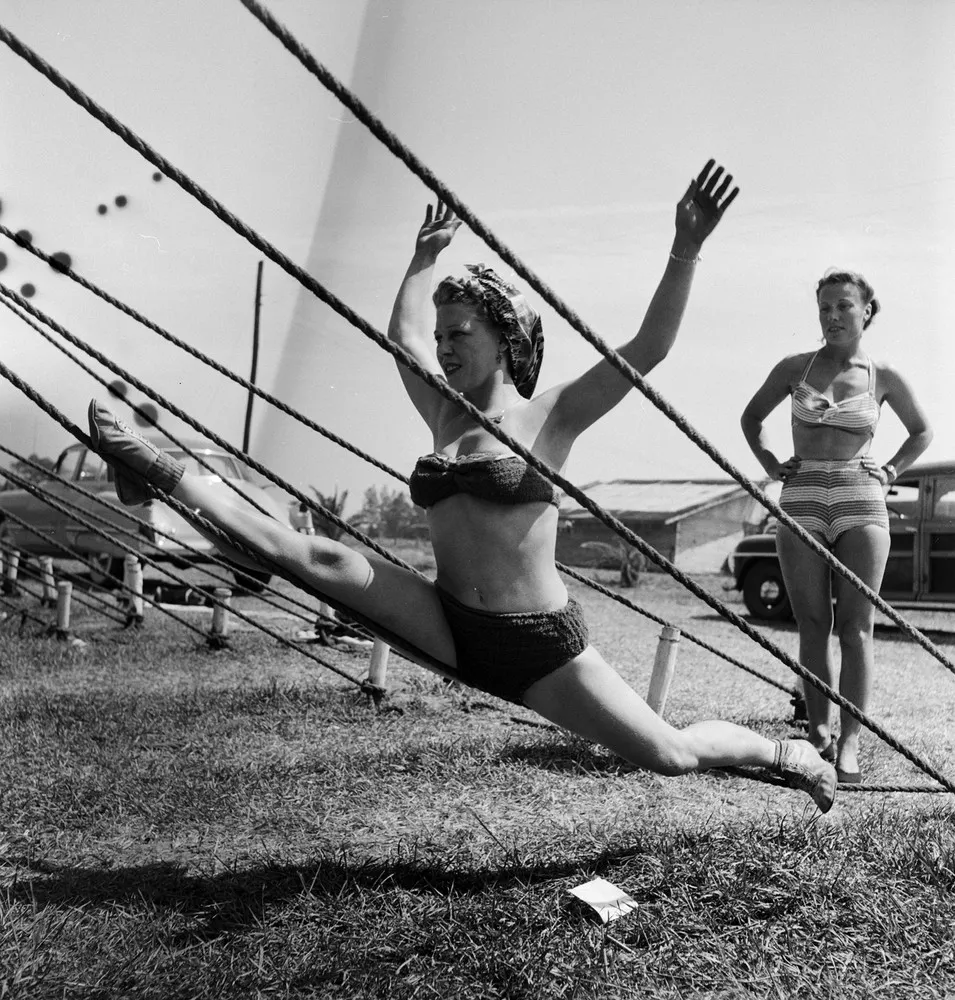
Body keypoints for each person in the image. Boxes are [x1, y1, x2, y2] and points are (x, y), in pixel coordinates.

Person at [87, 160, 838, 812]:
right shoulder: (442, 413)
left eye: (460, 335)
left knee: (669, 754)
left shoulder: (554, 417)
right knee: (308, 556)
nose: (444, 349)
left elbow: (649, 348)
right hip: (444, 618)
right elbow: (402, 338)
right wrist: (422, 261)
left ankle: (782, 755)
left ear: (503, 337)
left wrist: (685, 247)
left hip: (537, 645)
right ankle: (156, 467)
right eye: (443, 335)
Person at [741, 269, 932, 783]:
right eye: (824, 307)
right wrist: (768, 461)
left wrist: (891, 469)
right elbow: (750, 418)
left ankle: (849, 742)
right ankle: (818, 733)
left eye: (844, 306)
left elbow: (922, 430)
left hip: (861, 500)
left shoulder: (883, 374)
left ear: (867, 311)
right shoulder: (794, 368)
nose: (832, 317)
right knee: (811, 624)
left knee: (856, 627)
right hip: (801, 496)